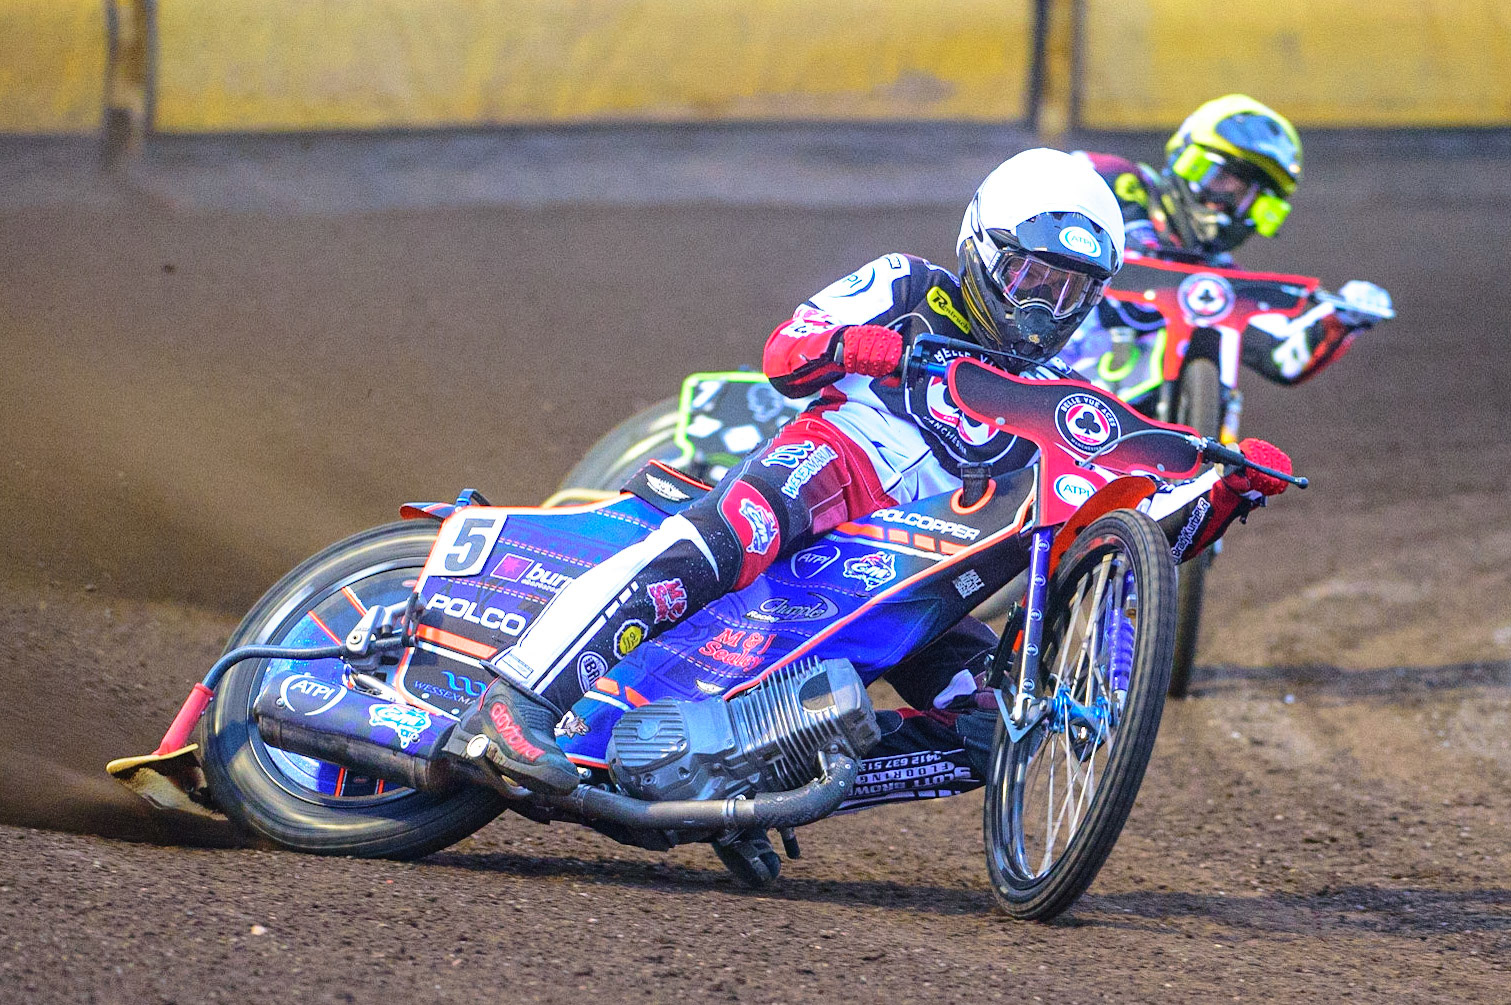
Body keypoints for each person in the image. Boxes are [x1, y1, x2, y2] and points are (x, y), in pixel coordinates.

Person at [460, 148, 1293, 802]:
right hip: (834, 465)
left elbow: (1145, 477)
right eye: (1032, 277)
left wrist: (1223, 488)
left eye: (1070, 289)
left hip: (926, 555)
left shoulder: (1062, 393)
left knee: (988, 721)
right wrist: (864, 344)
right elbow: (785, 351)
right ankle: (520, 697)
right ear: (982, 247)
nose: (1045, 305)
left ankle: (751, 780)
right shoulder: (907, 283)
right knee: (729, 533)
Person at [1062, 94, 1392, 395]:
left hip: (1110, 408)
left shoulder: (1219, 283)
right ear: (1185, 159)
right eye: (1219, 179)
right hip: (1038, 350)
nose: (1223, 204)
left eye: (1250, 199)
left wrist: (1341, 318)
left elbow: (1280, 356)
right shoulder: (1114, 180)